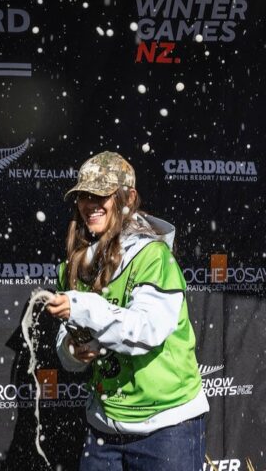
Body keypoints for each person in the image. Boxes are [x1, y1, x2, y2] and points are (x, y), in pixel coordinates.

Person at [46, 151, 208, 471]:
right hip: (103, 430)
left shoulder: (153, 256)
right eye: (83, 195)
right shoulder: (74, 264)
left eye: (101, 194)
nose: (90, 203)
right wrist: (73, 350)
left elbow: (145, 331)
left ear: (127, 198)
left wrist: (85, 308)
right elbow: (67, 349)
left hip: (166, 430)